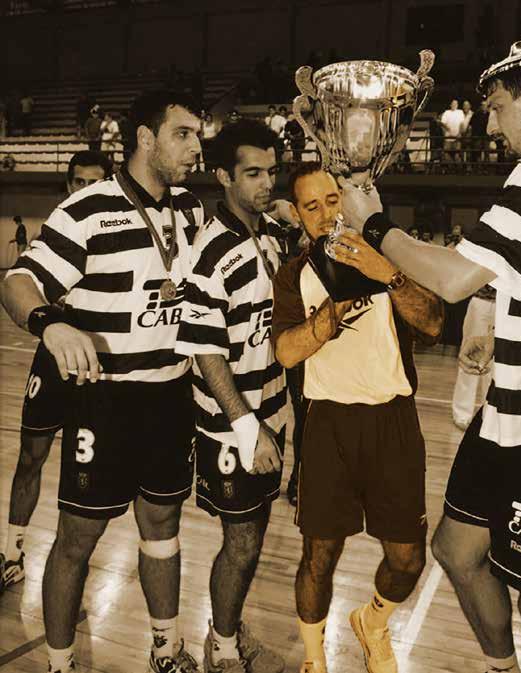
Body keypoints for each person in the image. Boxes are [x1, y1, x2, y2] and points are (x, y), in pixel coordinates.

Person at [334, 39, 521, 673]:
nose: (490, 126)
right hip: (512, 408)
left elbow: (454, 279)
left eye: (497, 109)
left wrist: (375, 225)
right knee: (456, 548)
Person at [0, 90, 204, 673]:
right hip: (106, 399)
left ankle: (165, 648)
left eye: (198, 135)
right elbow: (17, 282)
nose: (196, 147)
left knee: (163, 525)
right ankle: (60, 663)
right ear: (146, 138)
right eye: (183, 134)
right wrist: (50, 323)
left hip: (171, 395)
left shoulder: (191, 209)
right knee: (77, 537)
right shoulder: (87, 210)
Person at [271, 163, 444, 673]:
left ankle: (372, 621)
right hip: (328, 426)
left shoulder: (391, 255)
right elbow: (285, 352)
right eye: (312, 206)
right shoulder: (293, 274)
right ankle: (313, 660)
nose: (326, 214)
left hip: (393, 422)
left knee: (407, 560)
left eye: (333, 200)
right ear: (297, 214)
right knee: (318, 557)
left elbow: (434, 322)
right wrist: (333, 311)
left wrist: (385, 273)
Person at [174, 119, 288, 673]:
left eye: (271, 172)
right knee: (241, 543)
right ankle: (221, 650)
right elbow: (205, 352)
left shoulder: (270, 234)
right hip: (232, 427)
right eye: (253, 174)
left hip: (272, 414)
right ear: (222, 176)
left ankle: (228, 629)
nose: (267, 184)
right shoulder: (210, 252)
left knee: (254, 538)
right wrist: (246, 428)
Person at [0, 151, 113, 597]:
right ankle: (12, 553)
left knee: (88, 471)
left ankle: (72, 563)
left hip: (100, 365)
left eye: (95, 183)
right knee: (31, 457)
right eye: (79, 182)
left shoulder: (121, 236)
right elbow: (19, 287)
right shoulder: (52, 237)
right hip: (53, 359)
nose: (85, 190)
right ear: (68, 186)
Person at [451, 285, 496, 429]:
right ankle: (462, 414)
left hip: (506, 303)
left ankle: (489, 414)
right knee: (470, 357)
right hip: (481, 300)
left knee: (496, 363)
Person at [440, 99, 465, 164]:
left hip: (457, 137)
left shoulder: (460, 112)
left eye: (456, 104)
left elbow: (462, 124)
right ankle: (451, 167)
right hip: (448, 138)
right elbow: (442, 123)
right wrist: (446, 128)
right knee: (446, 154)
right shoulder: (446, 112)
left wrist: (460, 133)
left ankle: (457, 168)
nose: (454, 105)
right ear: (450, 105)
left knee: (457, 154)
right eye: (453, 104)